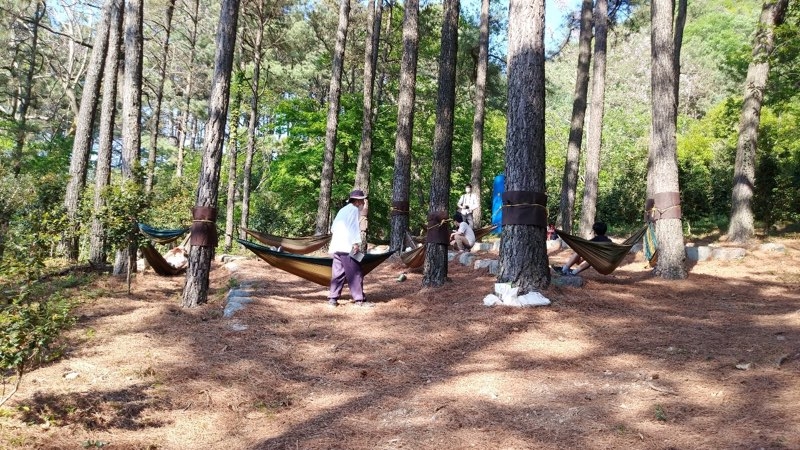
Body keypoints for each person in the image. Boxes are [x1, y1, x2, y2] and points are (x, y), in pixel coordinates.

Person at [328, 189, 373, 307]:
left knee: (337, 274)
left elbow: (333, 228)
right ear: (357, 201)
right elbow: (353, 228)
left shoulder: (343, 210)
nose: (363, 202)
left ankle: (332, 300)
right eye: (362, 200)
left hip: (337, 247)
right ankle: (359, 300)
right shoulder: (354, 210)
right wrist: (355, 244)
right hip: (347, 247)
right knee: (356, 272)